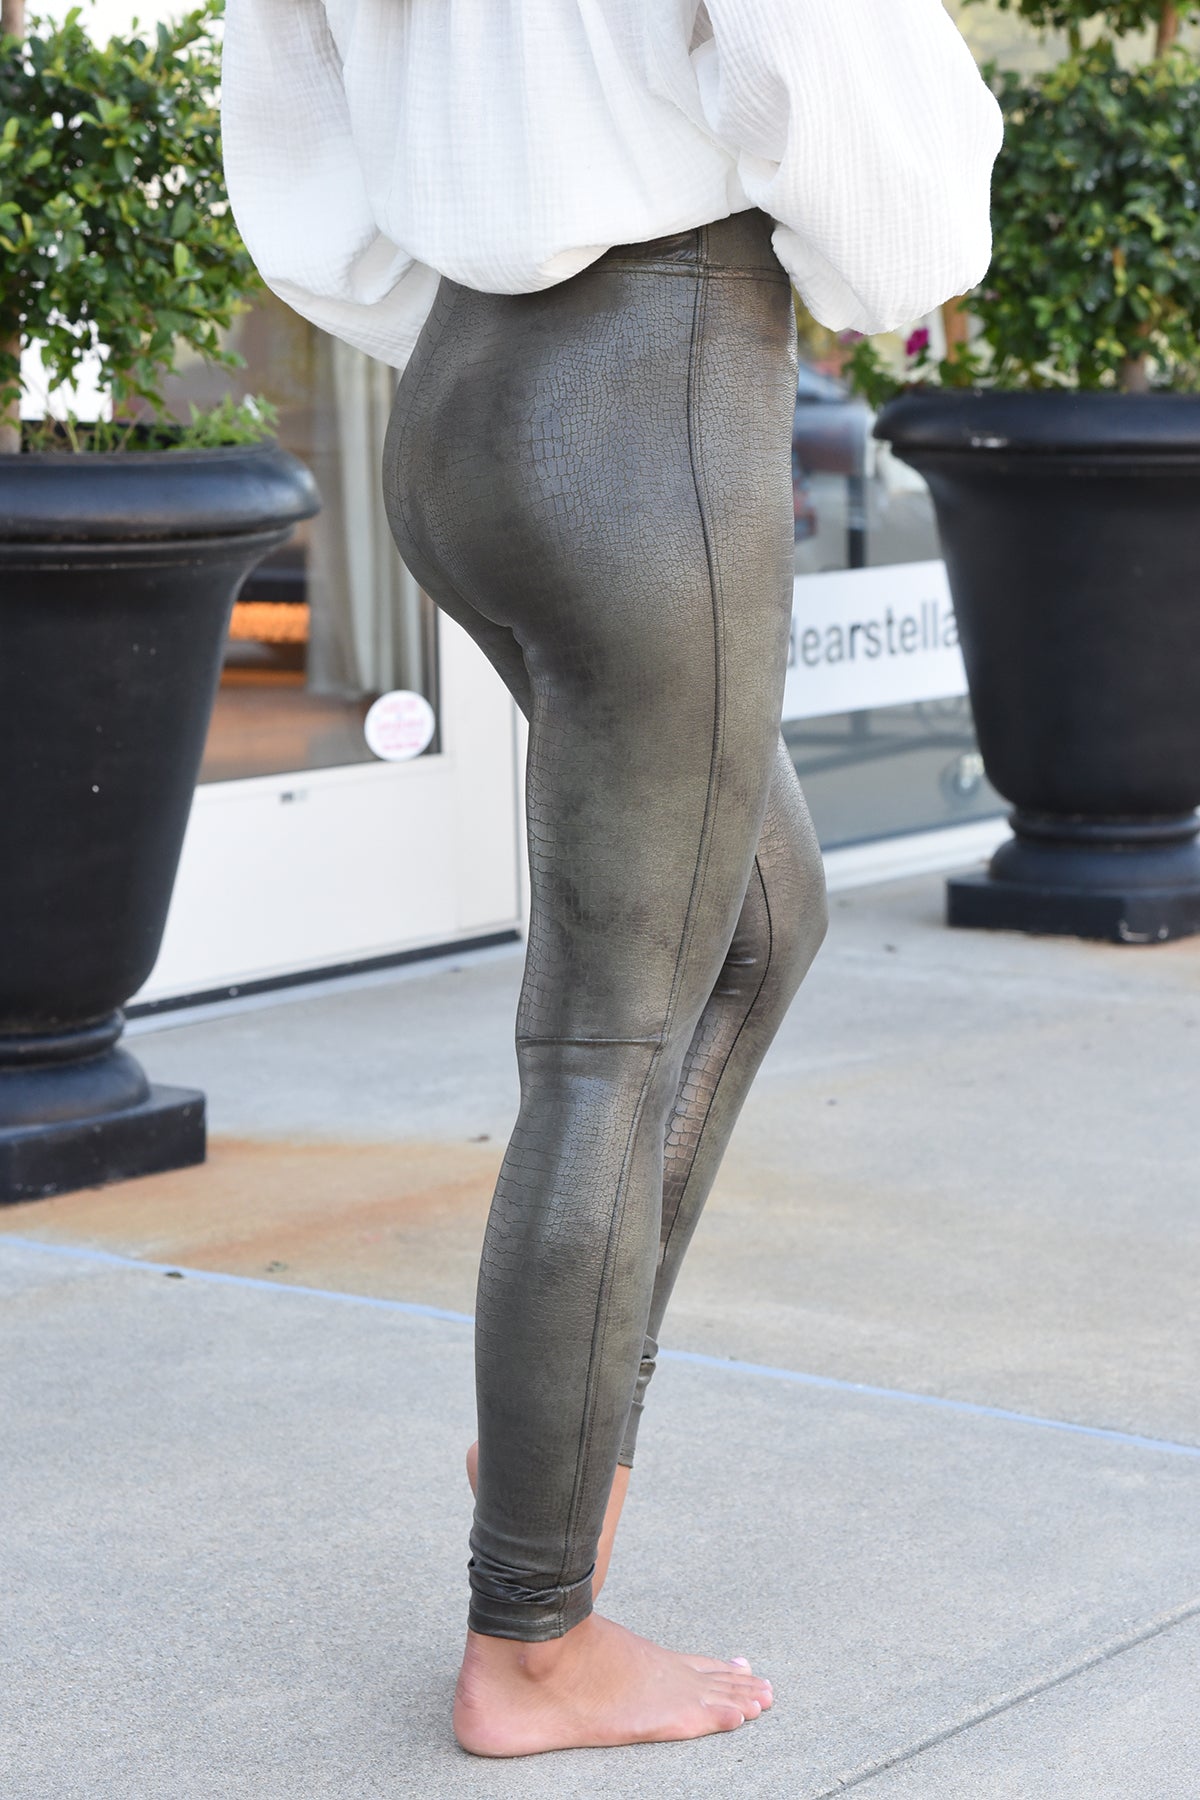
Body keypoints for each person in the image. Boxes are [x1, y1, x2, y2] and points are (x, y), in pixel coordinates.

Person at [221, 0, 1002, 1759]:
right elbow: (848, 102)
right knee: (605, 1047)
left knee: (761, 924)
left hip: (465, 398)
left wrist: (487, 269)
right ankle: (533, 1642)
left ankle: (554, 1422)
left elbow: (291, 125)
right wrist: (892, 251)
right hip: (653, 387)